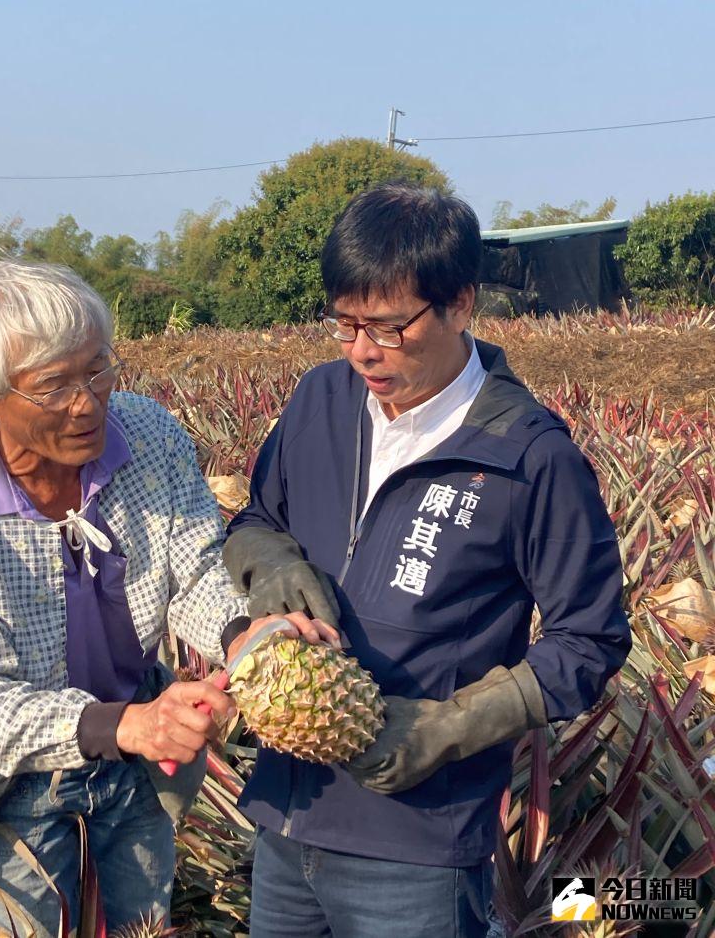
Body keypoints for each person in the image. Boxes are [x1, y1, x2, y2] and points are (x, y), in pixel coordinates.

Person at [224, 183, 632, 938]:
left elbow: (592, 641)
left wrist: (445, 727)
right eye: (343, 322)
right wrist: (270, 565)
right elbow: (255, 519)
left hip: (417, 850)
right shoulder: (320, 398)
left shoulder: (531, 457)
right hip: (287, 817)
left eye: (386, 326)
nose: (361, 351)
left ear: (460, 304)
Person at [0, 260, 331, 938]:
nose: (87, 402)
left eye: (98, 369)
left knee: (144, 925)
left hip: (138, 765)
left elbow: (195, 570)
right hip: (12, 781)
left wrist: (240, 634)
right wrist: (128, 725)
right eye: (53, 386)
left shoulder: (149, 436)